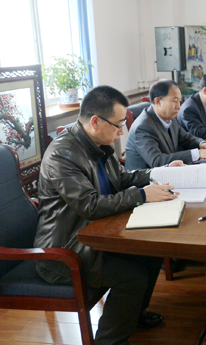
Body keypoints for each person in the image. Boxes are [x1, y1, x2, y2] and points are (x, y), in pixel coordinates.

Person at [34, 86, 182, 345]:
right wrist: (142, 195)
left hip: (94, 234)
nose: (122, 132)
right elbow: (89, 205)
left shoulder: (97, 143)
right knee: (132, 277)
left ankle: (133, 314)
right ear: (95, 121)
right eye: (118, 124)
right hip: (65, 249)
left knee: (151, 252)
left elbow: (121, 178)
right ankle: (109, 341)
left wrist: (161, 172)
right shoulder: (62, 154)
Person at [125, 79, 206, 170]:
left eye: (179, 101)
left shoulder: (170, 117)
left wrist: (202, 143)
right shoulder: (143, 127)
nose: (178, 106)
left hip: (169, 172)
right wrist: (197, 154)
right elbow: (157, 160)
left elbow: (186, 138)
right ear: (158, 101)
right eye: (175, 101)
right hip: (147, 179)